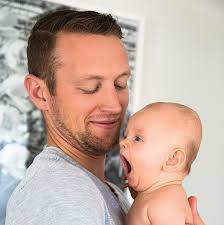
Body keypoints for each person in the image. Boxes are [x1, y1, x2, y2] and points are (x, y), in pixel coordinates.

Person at [5, 10, 205, 225]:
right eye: (90, 87)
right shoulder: (62, 191)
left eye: (120, 84)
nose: (114, 104)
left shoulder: (113, 194)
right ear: (39, 93)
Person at [120, 102, 203, 225]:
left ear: (172, 159)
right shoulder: (157, 197)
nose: (123, 143)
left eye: (137, 139)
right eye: (125, 135)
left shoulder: (165, 203)